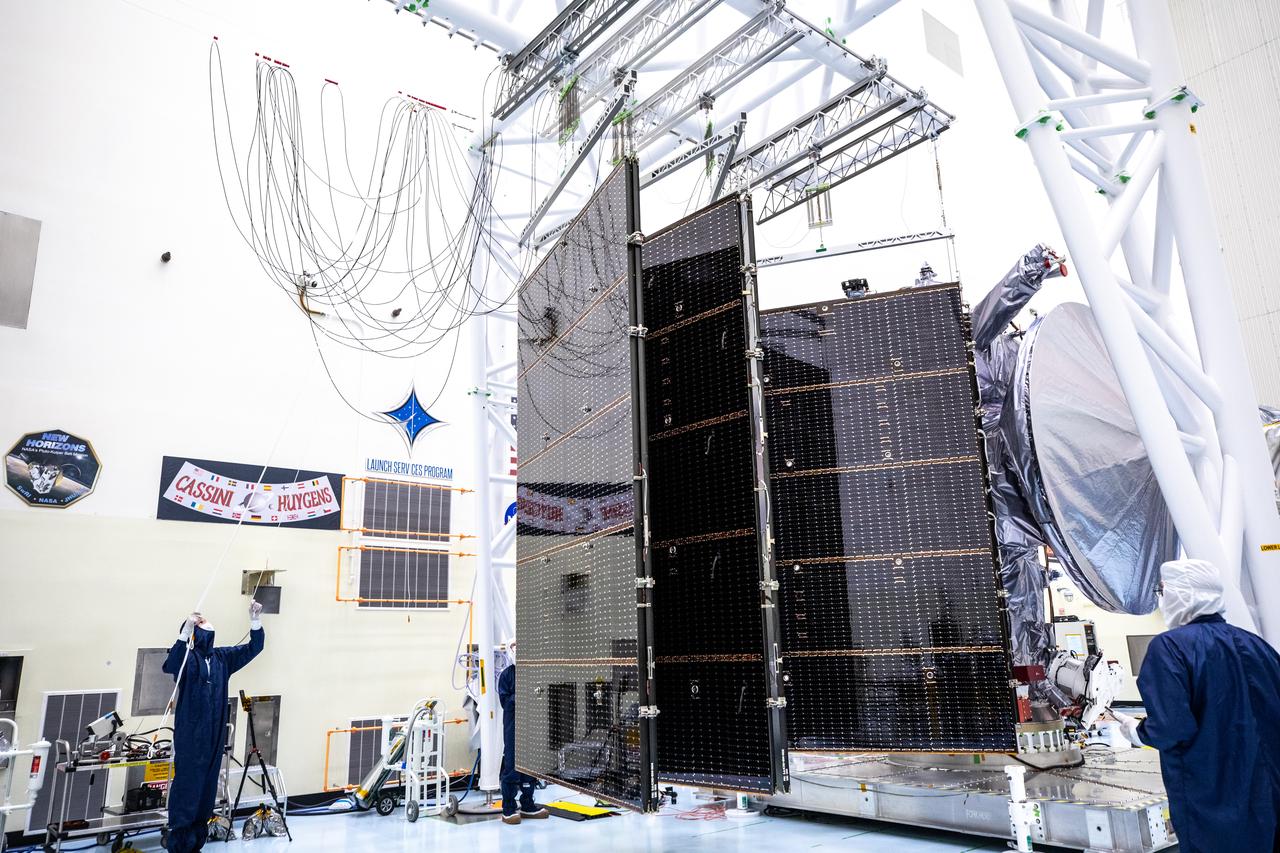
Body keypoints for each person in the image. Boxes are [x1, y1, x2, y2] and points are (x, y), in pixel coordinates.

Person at [1111, 559, 1280, 852]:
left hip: (1212, 797)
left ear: (1179, 594)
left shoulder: (1170, 648)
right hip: (1269, 791)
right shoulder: (1257, 644)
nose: (1160, 599)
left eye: (1161, 591)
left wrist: (1136, 731)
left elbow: (1171, 727)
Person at [162, 601, 265, 852]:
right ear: (195, 634)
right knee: (188, 785)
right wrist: (184, 633)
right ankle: (179, 842)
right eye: (198, 622)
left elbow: (255, 647)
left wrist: (255, 621)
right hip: (190, 735)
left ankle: (197, 839)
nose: (203, 621)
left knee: (207, 789)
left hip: (215, 735)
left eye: (203, 620)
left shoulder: (222, 659)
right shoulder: (187, 659)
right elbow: (171, 665)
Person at [497, 657, 547, 825]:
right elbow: (505, 701)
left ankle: (527, 804)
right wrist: (520, 696)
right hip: (513, 727)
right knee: (512, 765)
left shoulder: (533, 674)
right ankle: (509, 808)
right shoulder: (506, 675)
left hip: (531, 726)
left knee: (530, 766)